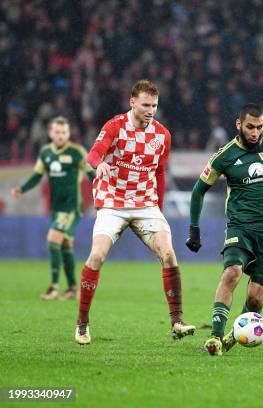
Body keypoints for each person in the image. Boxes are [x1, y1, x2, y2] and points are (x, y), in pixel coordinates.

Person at [74, 80, 195, 345]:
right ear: (132, 102)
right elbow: (93, 155)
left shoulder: (162, 135)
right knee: (96, 256)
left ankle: (177, 321)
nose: (150, 110)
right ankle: (82, 323)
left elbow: (160, 173)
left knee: (169, 254)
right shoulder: (115, 126)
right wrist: (99, 166)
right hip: (113, 202)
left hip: (145, 205)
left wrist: (158, 211)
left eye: (154, 105)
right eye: (145, 105)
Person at [187, 103, 263, 356]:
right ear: (239, 125)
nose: (255, 132)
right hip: (240, 227)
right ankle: (214, 336)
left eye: (260, 127)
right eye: (250, 127)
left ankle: (233, 337)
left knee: (256, 297)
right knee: (231, 273)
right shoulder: (225, 155)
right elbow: (199, 190)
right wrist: (194, 229)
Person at [11, 116, 95, 300]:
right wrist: (21, 189)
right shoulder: (46, 153)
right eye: (57, 132)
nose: (60, 135)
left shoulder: (77, 152)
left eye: (64, 132)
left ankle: (54, 287)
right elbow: (36, 176)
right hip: (56, 208)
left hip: (72, 207)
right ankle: (73, 288)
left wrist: (103, 186)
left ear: (68, 133)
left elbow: (91, 173)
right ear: (50, 133)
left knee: (53, 238)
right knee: (65, 245)